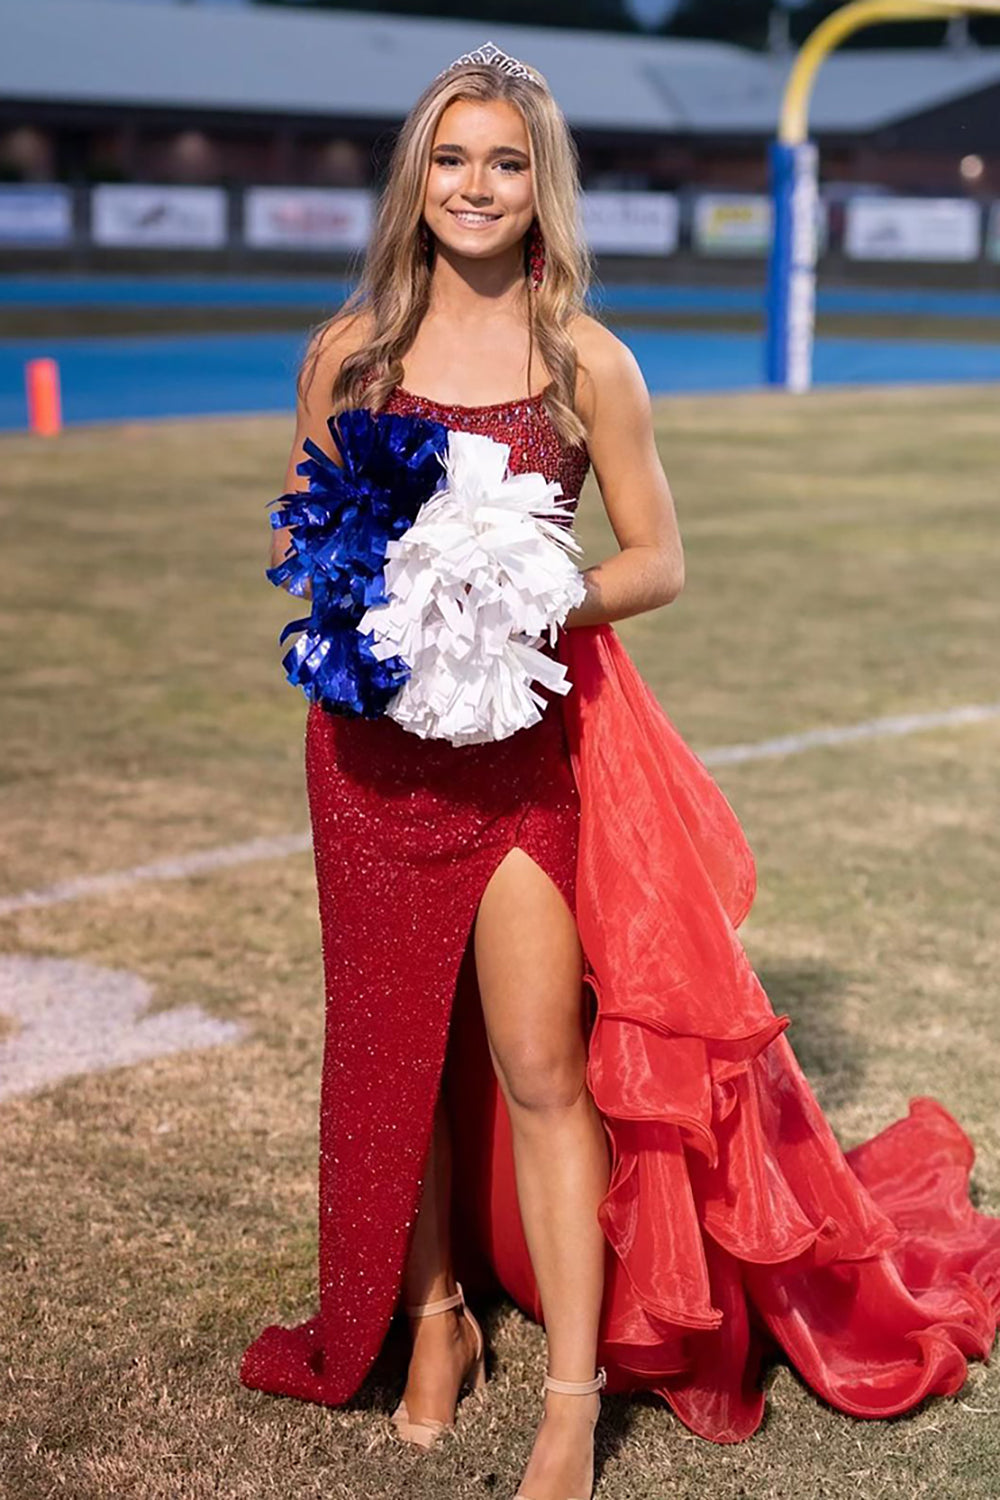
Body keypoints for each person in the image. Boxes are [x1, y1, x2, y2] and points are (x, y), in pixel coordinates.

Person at [241, 42, 1000, 1500]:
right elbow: (304, 527)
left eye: (506, 162)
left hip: (526, 748)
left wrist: (530, 594)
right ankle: (437, 1321)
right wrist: (383, 596)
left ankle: (575, 1398)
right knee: (395, 1054)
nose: (475, 186)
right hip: (374, 755)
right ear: (417, 178)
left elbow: (658, 561)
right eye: (451, 158)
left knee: (537, 1065)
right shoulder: (350, 353)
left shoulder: (586, 357)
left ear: (543, 189)